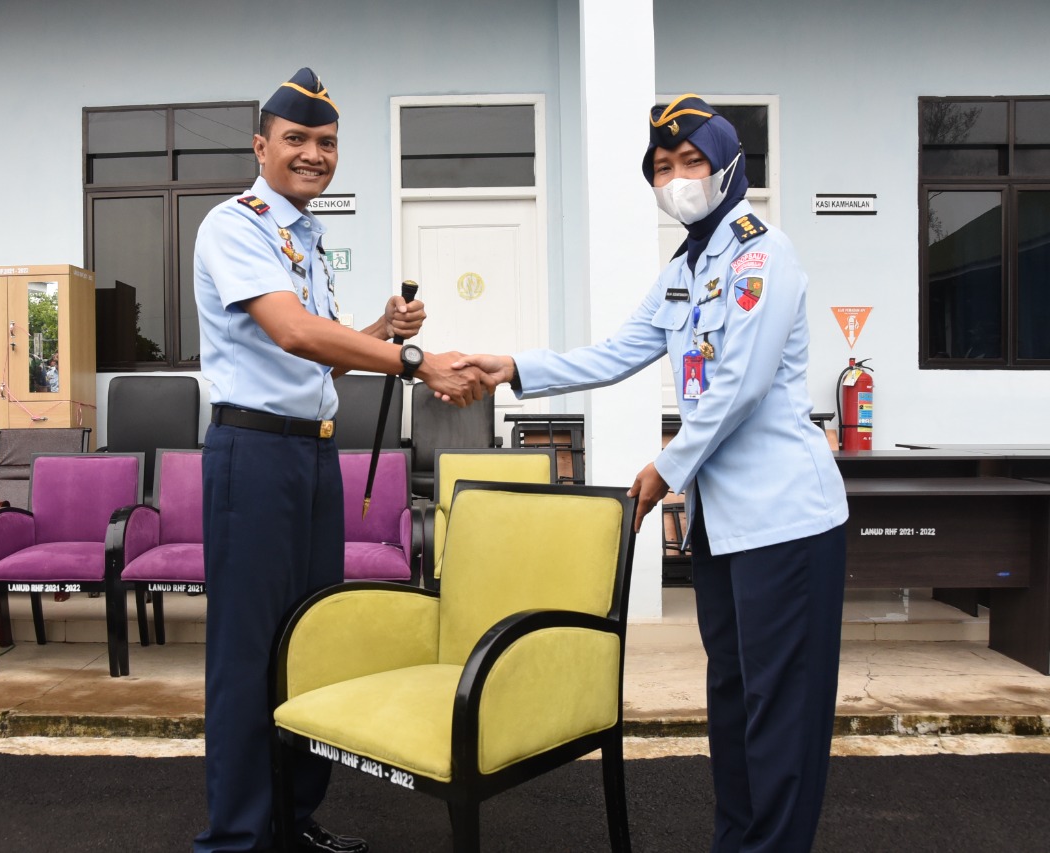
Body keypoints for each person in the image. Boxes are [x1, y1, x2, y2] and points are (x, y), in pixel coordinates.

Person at [463, 95, 848, 853]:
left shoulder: (764, 253)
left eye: (691, 161)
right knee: (733, 703)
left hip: (786, 522)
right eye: (662, 168)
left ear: (731, 165)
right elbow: (614, 352)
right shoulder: (687, 267)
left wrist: (663, 468)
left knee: (782, 711)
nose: (676, 179)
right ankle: (736, 840)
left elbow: (737, 386)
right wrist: (512, 366)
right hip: (725, 526)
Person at [193, 68, 490, 853]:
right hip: (251, 458)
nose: (313, 154)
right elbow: (292, 333)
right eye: (296, 139)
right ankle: (237, 838)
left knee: (310, 640)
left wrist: (380, 330)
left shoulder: (305, 238)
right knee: (247, 655)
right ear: (261, 145)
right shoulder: (236, 225)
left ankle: (292, 820)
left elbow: (316, 365)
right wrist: (416, 360)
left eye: (326, 143)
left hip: (310, 460)